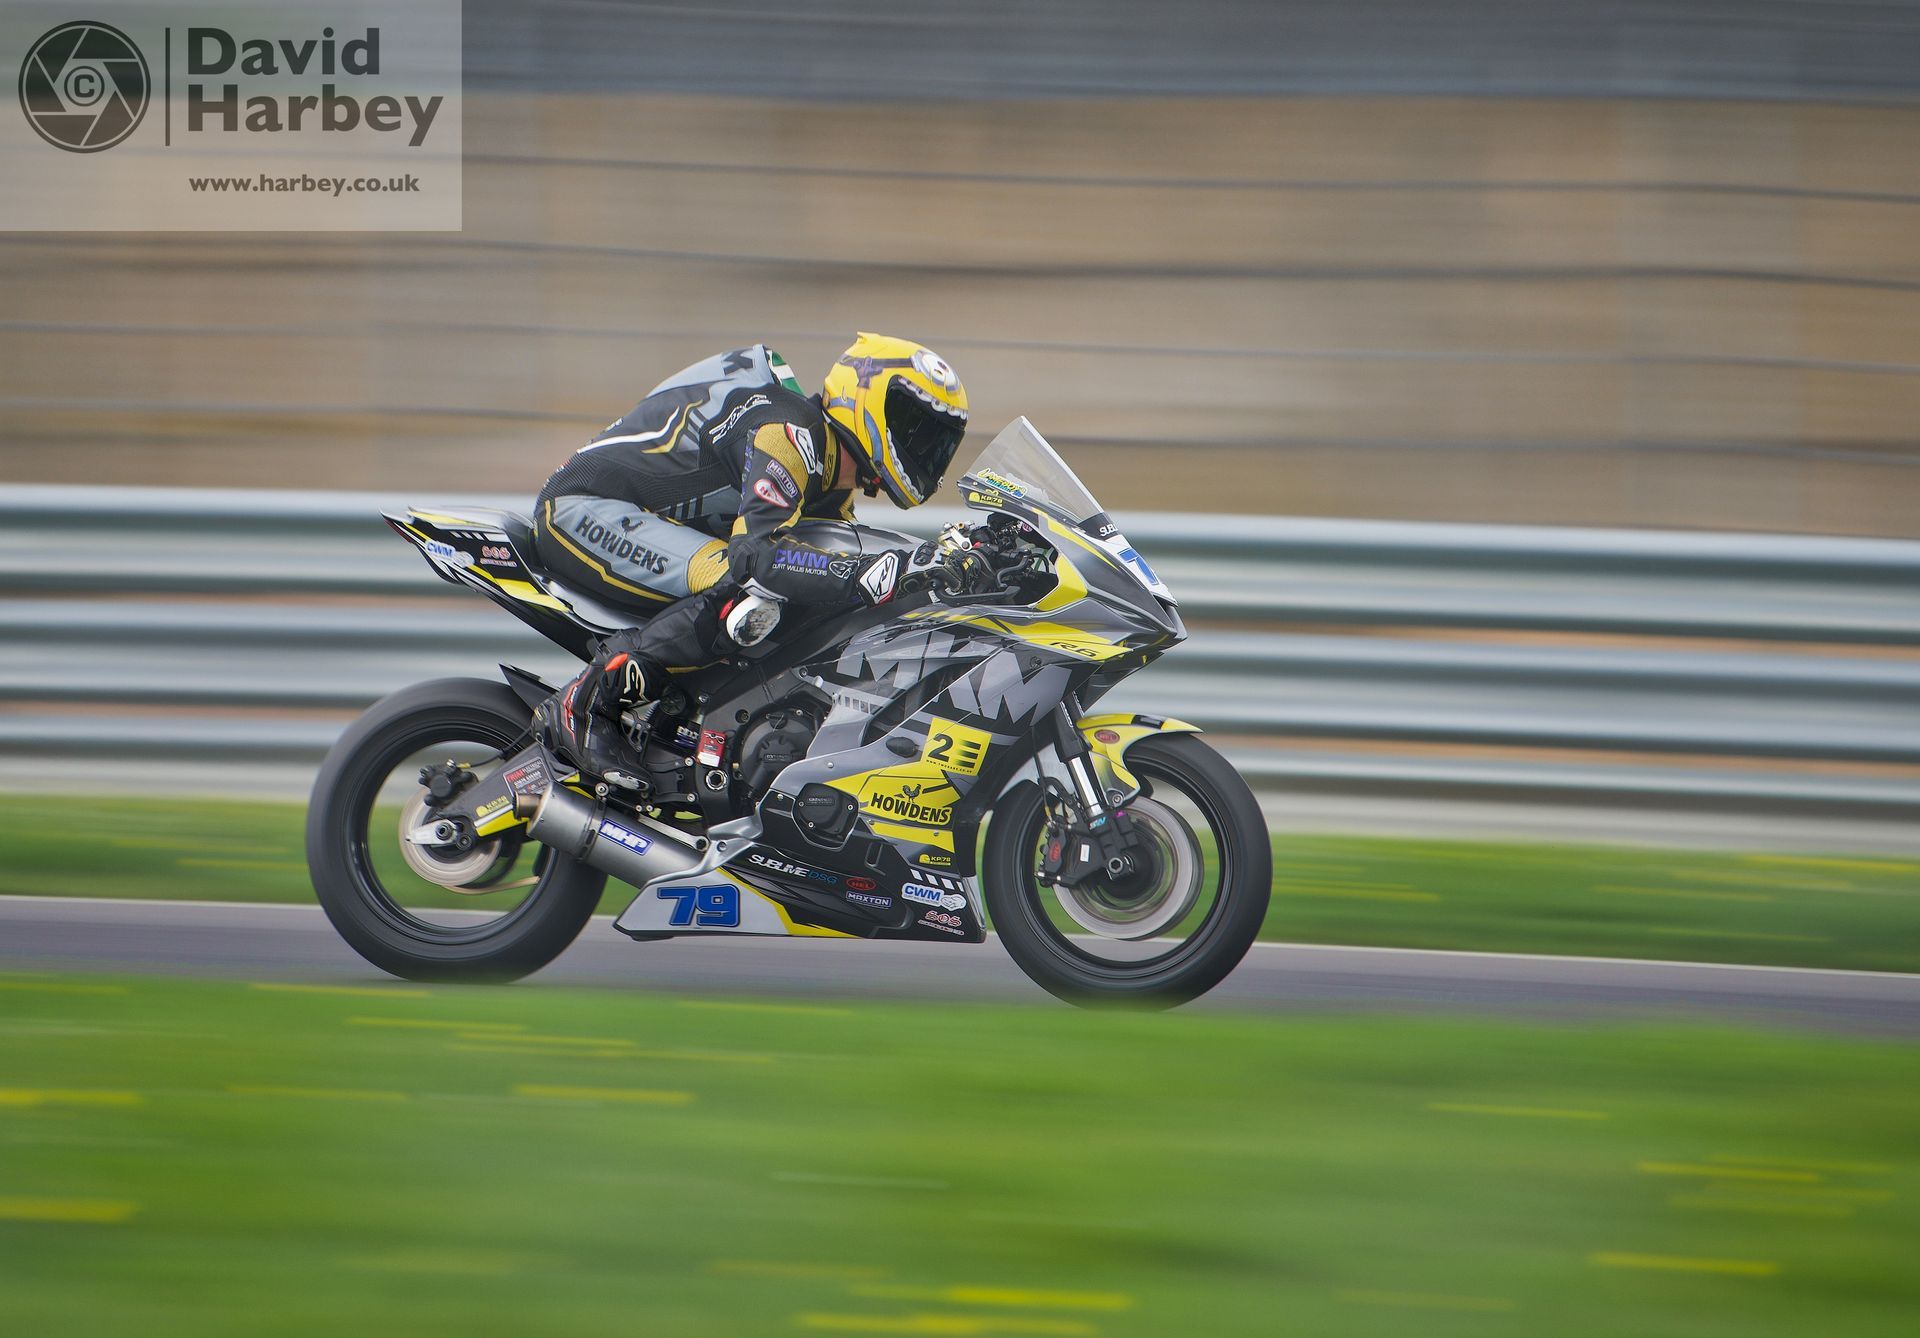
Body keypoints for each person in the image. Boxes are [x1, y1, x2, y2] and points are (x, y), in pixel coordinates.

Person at [530, 333, 978, 785]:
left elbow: (828, 574)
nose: (923, 449)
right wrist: (870, 574)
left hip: (642, 523)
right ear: (867, 396)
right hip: (585, 508)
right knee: (748, 586)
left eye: (936, 441)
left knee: (803, 592)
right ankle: (588, 702)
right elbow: (758, 558)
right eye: (914, 426)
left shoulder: (828, 482)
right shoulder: (787, 428)